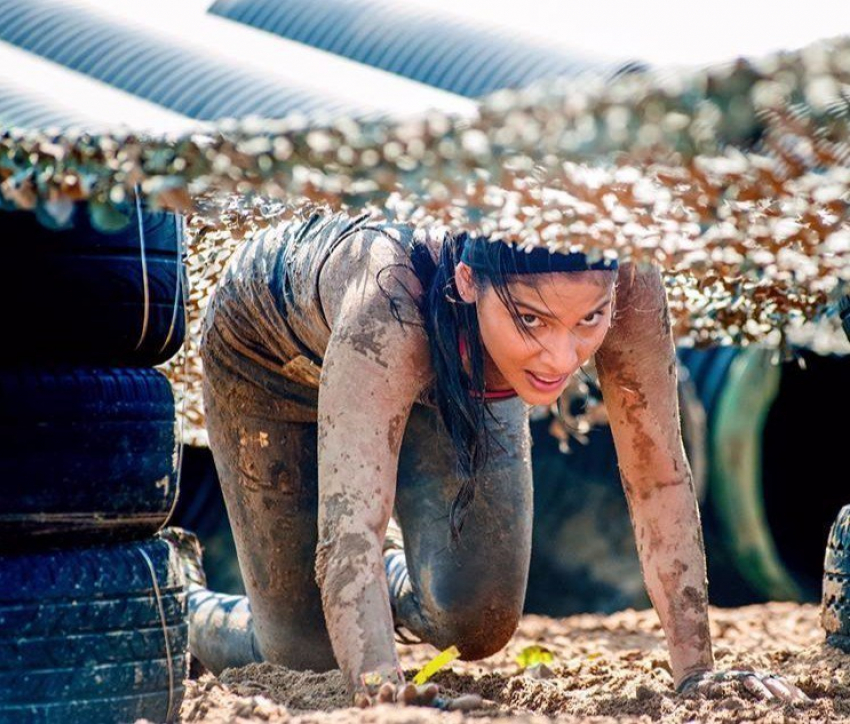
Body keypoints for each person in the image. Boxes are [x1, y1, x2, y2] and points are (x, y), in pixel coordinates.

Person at [172, 211, 809, 708]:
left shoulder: (629, 284)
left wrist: (698, 672)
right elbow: (348, 533)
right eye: (532, 319)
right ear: (470, 281)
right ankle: (183, 603)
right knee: (304, 655)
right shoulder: (389, 310)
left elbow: (660, 478)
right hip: (269, 360)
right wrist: (382, 691)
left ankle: (392, 582)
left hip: (455, 362)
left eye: (589, 319)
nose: (562, 359)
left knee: (475, 614)